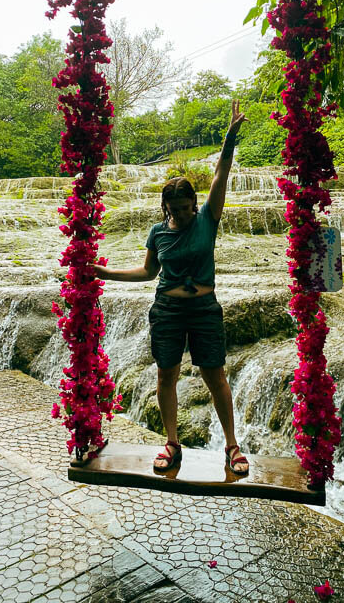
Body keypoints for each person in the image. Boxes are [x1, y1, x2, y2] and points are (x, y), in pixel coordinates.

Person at [93, 101, 249, 474]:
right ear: (165, 206)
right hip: (167, 309)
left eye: (185, 207)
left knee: (215, 376)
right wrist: (104, 273)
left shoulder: (208, 218)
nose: (180, 214)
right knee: (167, 374)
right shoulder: (158, 232)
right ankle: (172, 443)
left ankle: (232, 445)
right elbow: (148, 273)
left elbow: (221, 175)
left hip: (205, 309)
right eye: (174, 208)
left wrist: (229, 138)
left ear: (195, 204)